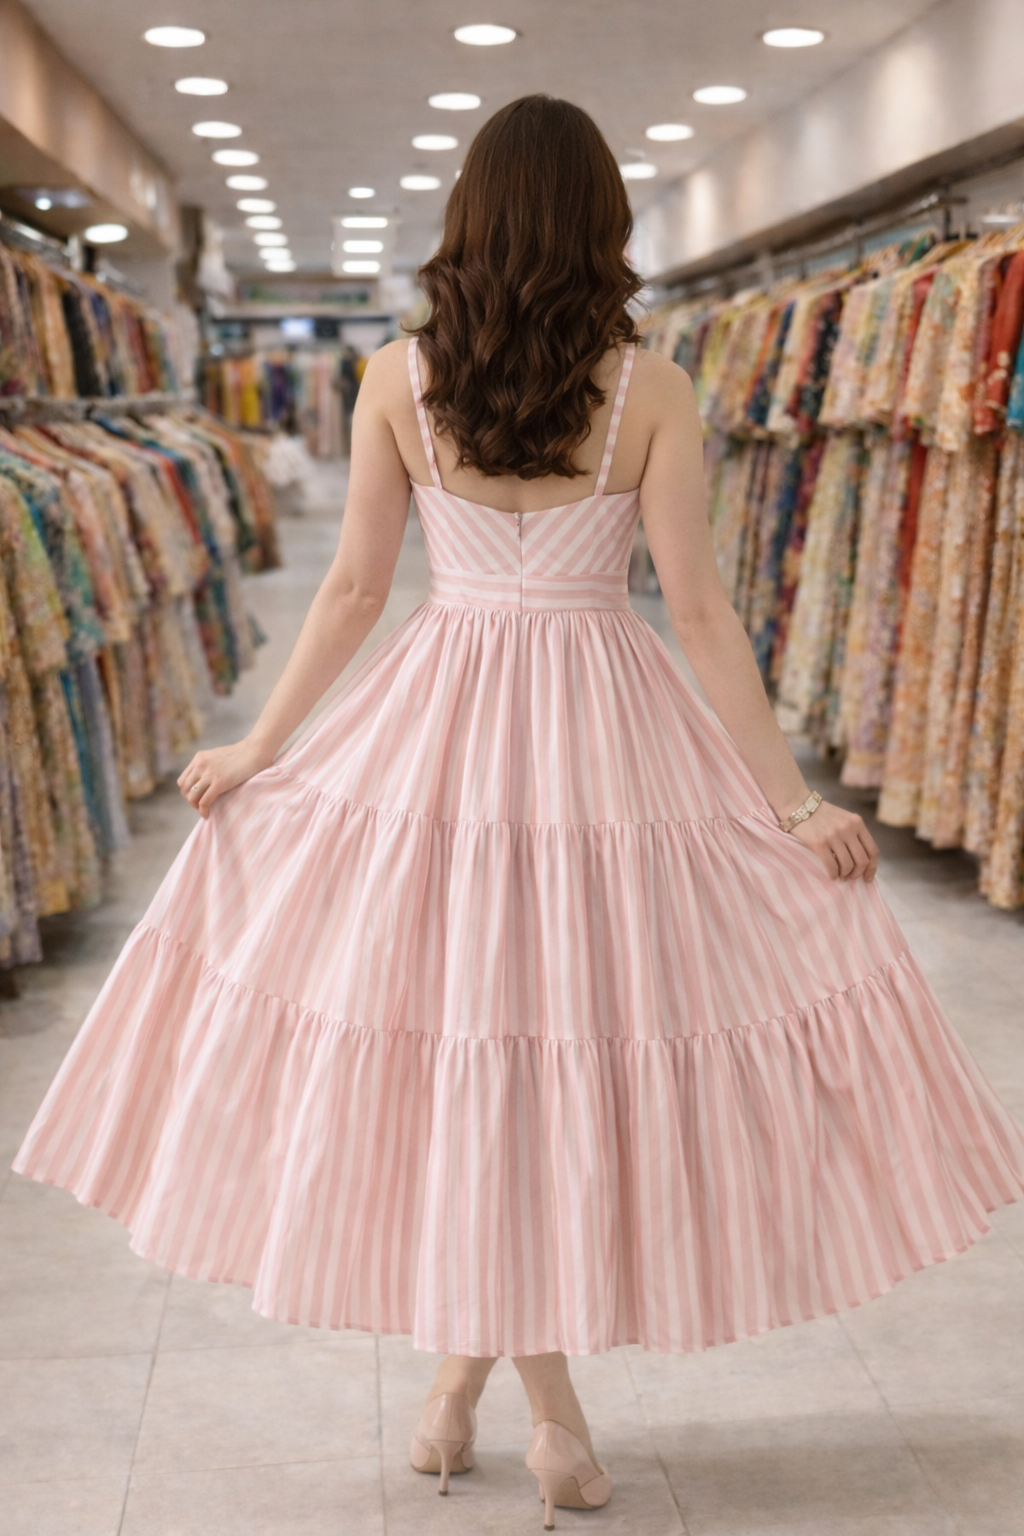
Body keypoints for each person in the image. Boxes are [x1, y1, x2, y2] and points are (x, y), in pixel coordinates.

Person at [13, 95, 1024, 1531]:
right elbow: (692, 609)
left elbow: (362, 591)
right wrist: (786, 806)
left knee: (489, 1050)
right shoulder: (652, 386)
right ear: (602, 223)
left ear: (471, 218)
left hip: (442, 728)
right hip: (610, 734)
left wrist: (266, 744)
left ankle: (455, 1397)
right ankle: (547, 1418)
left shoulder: (394, 377)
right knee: (554, 1050)